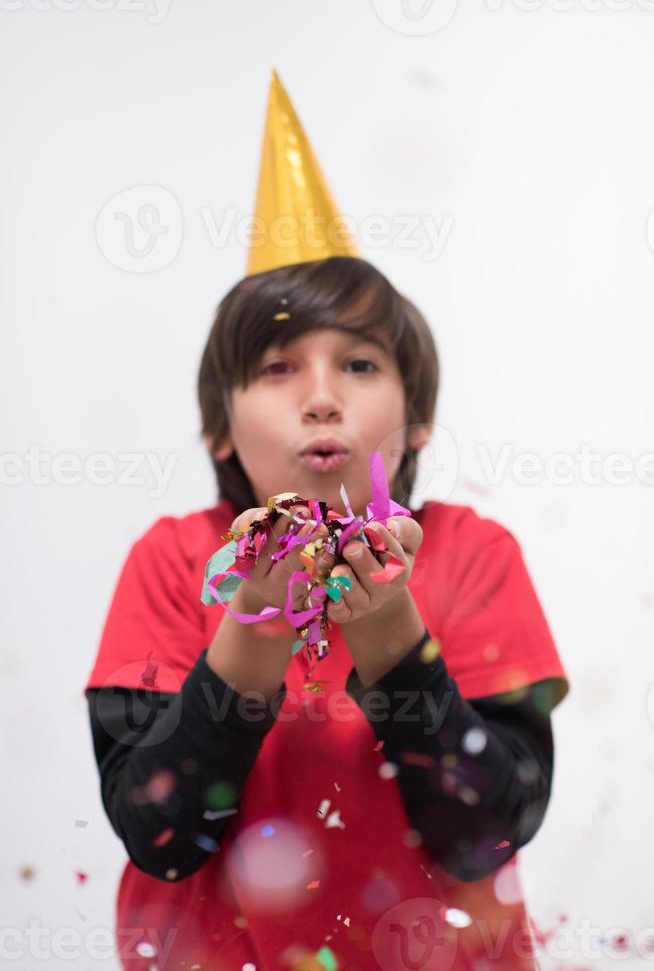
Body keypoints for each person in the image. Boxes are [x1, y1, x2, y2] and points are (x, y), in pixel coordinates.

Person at [84, 70, 570, 971]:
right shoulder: (168, 560)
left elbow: (490, 831)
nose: (318, 399)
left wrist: (391, 630)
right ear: (219, 428)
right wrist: (257, 625)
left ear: (418, 415)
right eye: (275, 367)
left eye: (357, 364)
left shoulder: (475, 557)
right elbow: (160, 835)